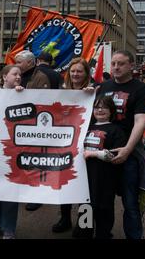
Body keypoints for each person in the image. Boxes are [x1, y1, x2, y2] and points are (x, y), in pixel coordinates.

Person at [97, 50, 145, 239]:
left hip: (129, 153)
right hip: (103, 151)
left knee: (130, 202)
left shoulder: (140, 89)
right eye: (113, 63)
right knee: (104, 200)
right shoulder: (103, 87)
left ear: (131, 66)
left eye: (121, 63)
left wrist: (127, 150)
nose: (116, 67)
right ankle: (104, 234)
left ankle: (134, 236)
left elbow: (141, 121)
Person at [52, 57, 92, 233]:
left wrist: (92, 95)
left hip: (87, 145)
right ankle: (65, 219)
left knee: (86, 186)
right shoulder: (61, 91)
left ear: (86, 74)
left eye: (79, 71)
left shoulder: (93, 91)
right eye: (73, 71)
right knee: (64, 182)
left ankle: (85, 224)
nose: (75, 74)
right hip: (65, 144)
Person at [80, 96, 127, 239]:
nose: (100, 110)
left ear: (111, 111)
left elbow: (115, 155)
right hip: (85, 178)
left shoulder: (116, 130)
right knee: (85, 208)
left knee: (104, 209)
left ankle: (103, 234)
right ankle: (85, 234)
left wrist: (93, 154)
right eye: (96, 107)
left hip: (106, 179)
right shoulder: (85, 127)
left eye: (104, 107)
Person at [0, 65, 23, 239]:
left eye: (20, 75)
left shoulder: (23, 94)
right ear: (4, 76)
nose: (18, 77)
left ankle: (8, 227)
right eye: (15, 74)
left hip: (14, 148)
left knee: (11, 188)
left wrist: (23, 95)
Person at [25, 51, 62, 212]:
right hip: (54, 120)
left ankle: (36, 193)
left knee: (35, 158)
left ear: (38, 60)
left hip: (36, 120)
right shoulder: (58, 75)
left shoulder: (36, 75)